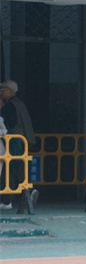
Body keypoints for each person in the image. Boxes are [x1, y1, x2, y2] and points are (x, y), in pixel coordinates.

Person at [0, 80, 36, 209]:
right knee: (18, 167)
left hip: (13, 140)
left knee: (10, 168)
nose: (1, 93)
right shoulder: (20, 104)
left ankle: (8, 200)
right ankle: (27, 192)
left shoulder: (10, 106)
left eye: (3, 90)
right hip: (22, 140)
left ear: (9, 91)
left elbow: (9, 123)